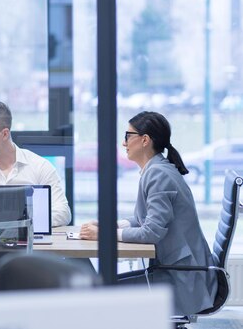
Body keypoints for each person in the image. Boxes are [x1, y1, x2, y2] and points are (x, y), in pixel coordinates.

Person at [79, 111, 217, 316]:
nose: (124, 143)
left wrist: (104, 236)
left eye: (127, 136)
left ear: (144, 140)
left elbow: (150, 232)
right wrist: (111, 226)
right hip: (173, 271)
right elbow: (144, 220)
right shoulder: (156, 169)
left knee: (100, 294)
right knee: (99, 289)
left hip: (181, 280)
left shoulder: (158, 174)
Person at [0, 102, 71, 227]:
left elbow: (63, 212)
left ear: (5, 134)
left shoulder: (40, 166)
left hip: (32, 243)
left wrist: (22, 224)